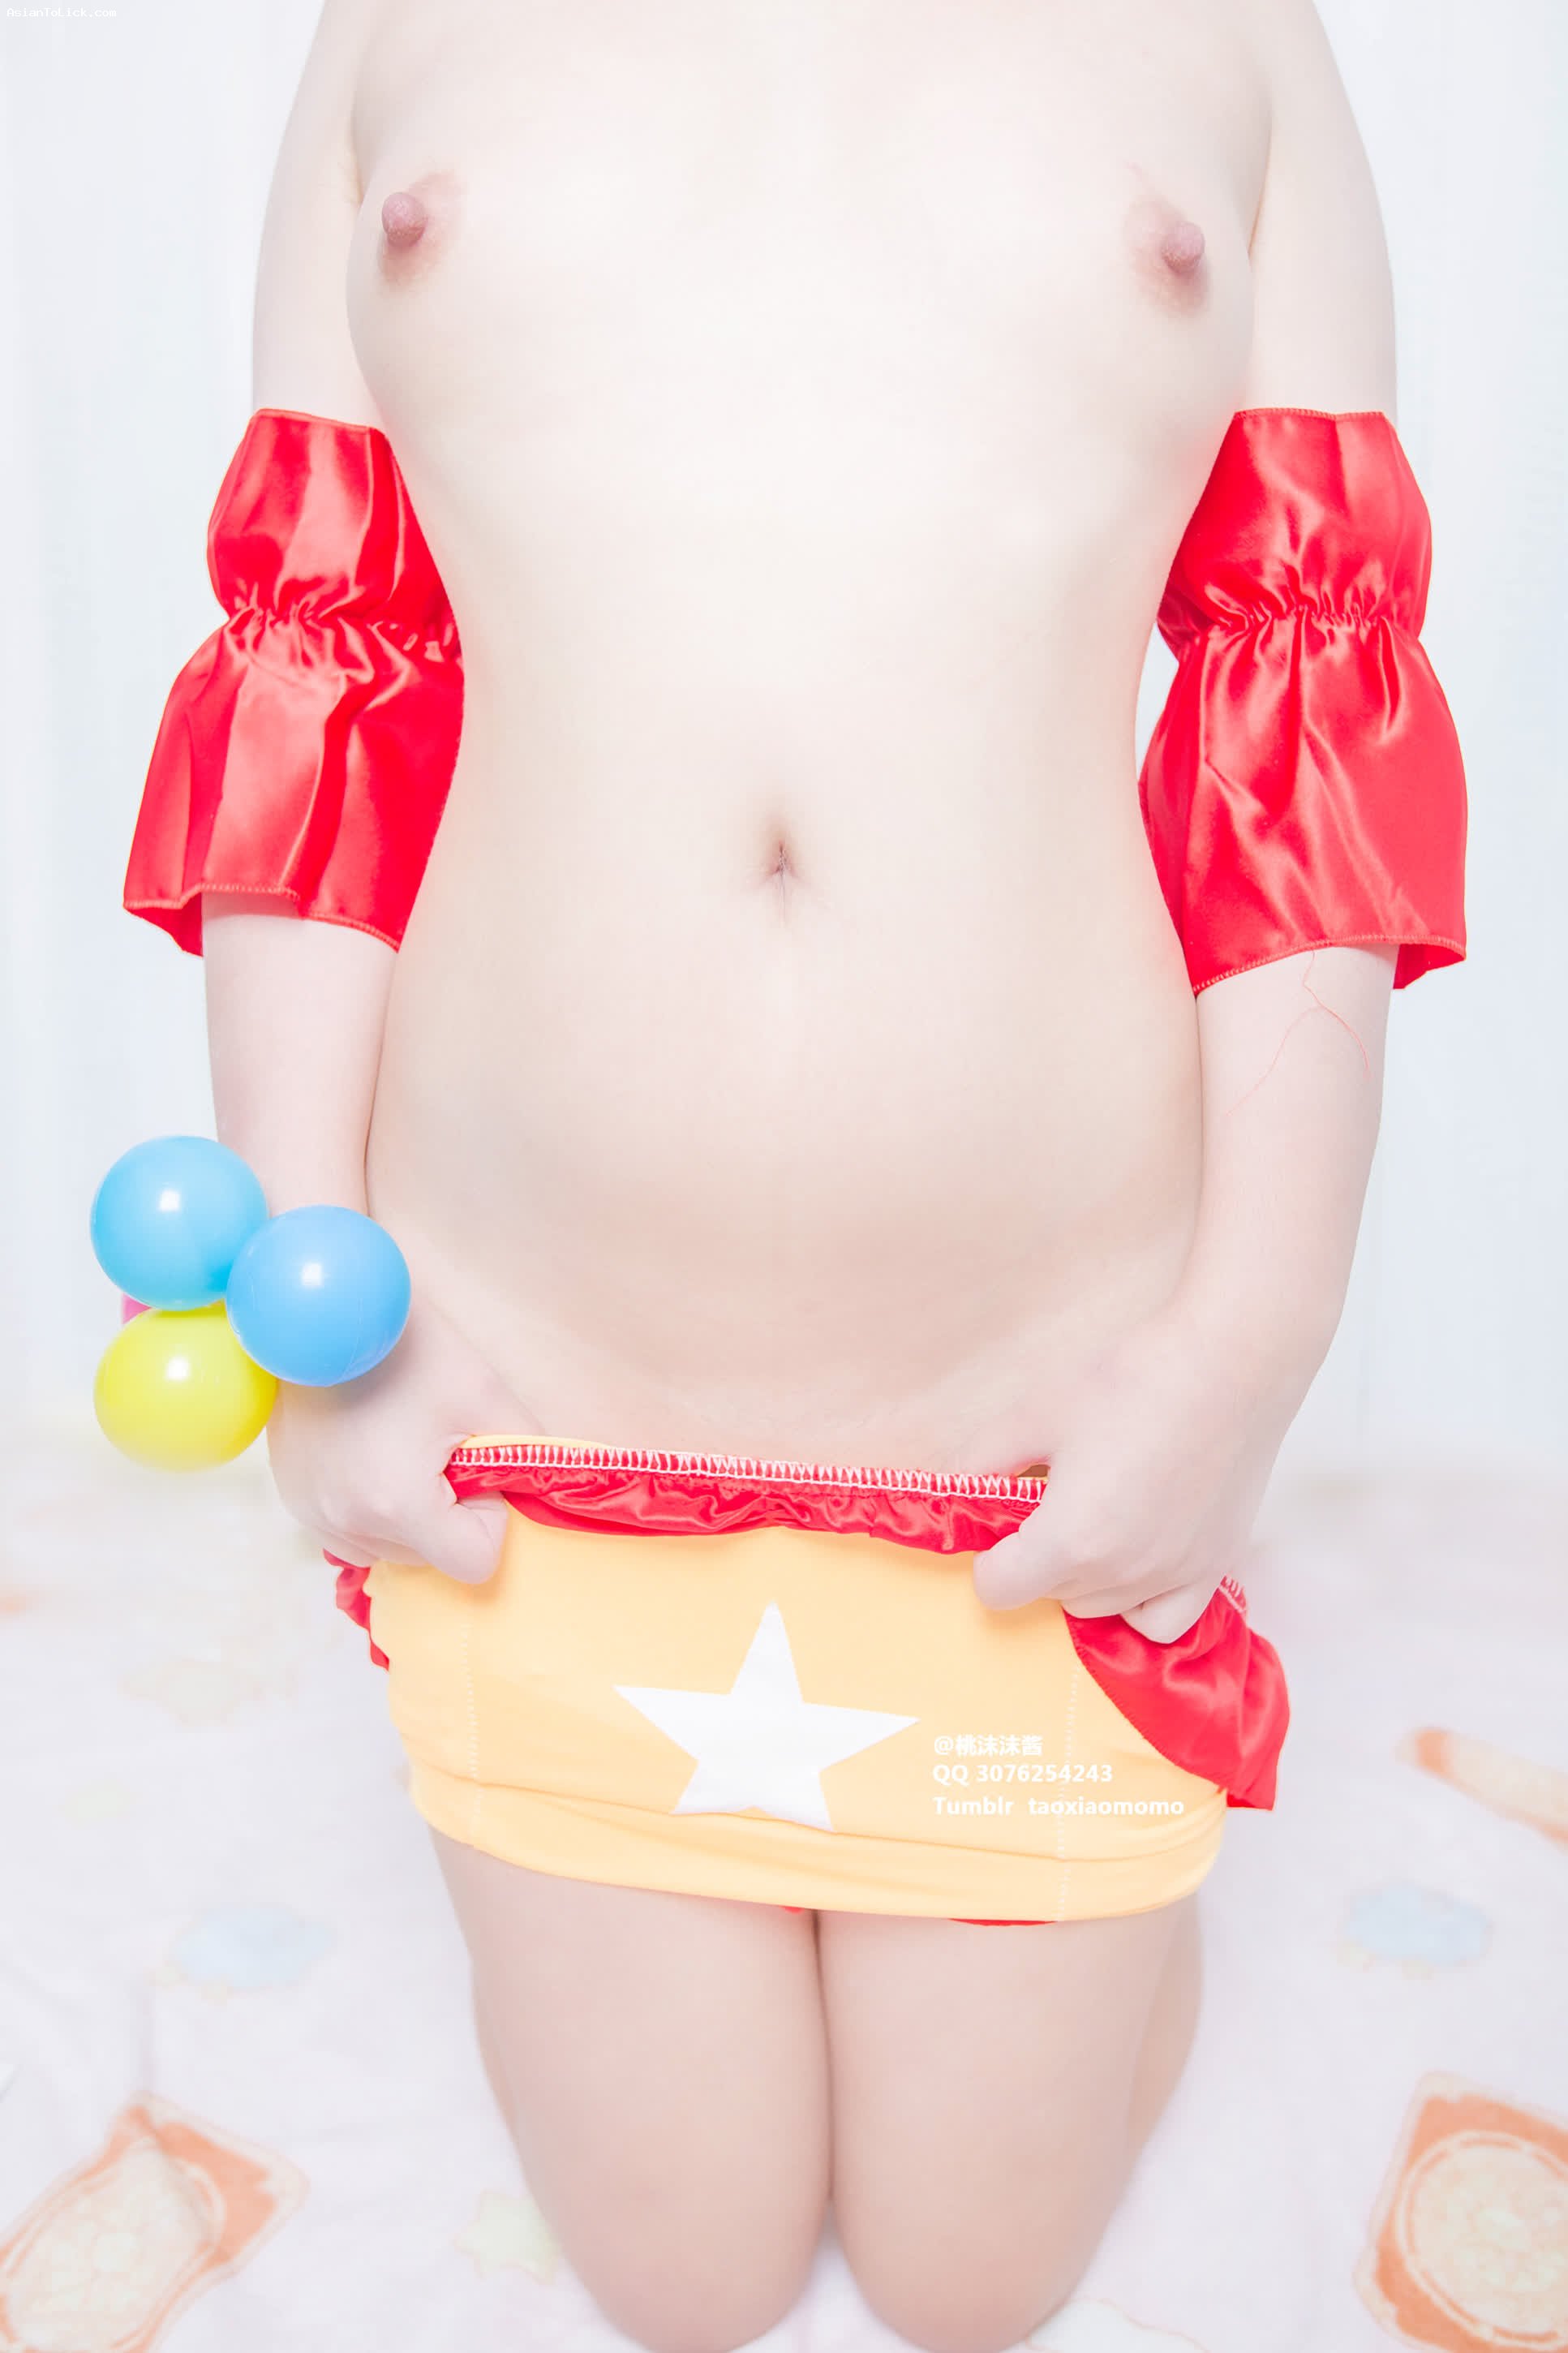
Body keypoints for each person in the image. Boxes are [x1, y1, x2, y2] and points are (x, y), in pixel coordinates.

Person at [121, 1, 1466, 2347]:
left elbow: (1306, 686)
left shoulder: (1242, 32)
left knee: (973, 2277)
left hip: (1038, 1398)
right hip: (522, 1372)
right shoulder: (389, 24)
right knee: (688, 2270)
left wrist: (1250, 1340)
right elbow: (321, 659)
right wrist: (307, 1306)